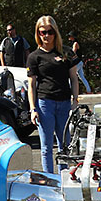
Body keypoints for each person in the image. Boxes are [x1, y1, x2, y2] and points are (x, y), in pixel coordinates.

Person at [27, 16, 79, 173]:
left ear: (55, 32)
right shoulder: (34, 57)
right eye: (42, 32)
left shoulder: (66, 52)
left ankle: (63, 177)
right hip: (45, 104)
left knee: (64, 145)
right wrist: (33, 109)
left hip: (64, 103)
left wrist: (75, 101)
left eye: (50, 32)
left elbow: (74, 78)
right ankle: (49, 179)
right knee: (46, 147)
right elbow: (31, 85)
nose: (46, 36)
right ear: (38, 33)